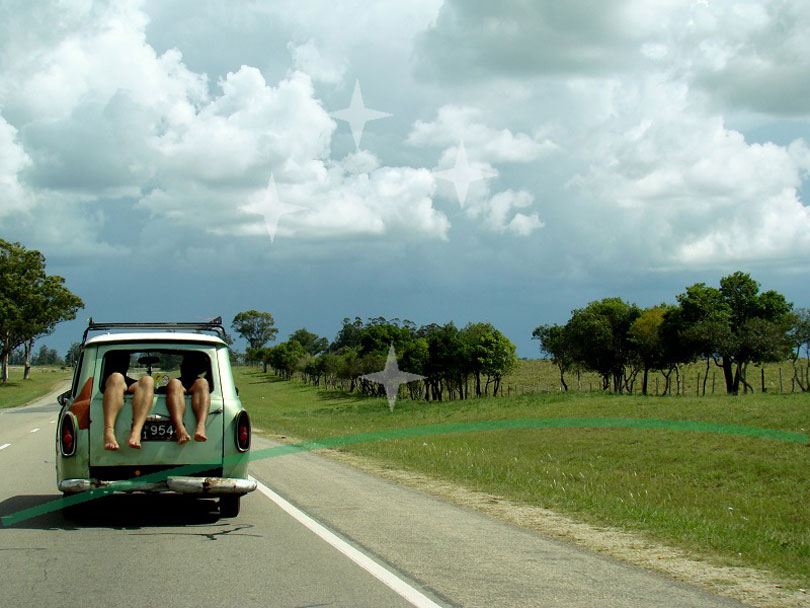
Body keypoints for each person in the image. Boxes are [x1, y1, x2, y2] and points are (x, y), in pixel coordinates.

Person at [101, 351, 155, 451]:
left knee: (148, 380)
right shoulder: (116, 378)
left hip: (121, 382)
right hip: (113, 381)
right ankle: (108, 431)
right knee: (116, 378)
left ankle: (136, 432)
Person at [166, 351, 210, 444]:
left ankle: (201, 426)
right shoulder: (176, 383)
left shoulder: (200, 383)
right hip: (177, 385)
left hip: (197, 384)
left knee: (203, 383)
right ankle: (180, 427)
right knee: (174, 383)